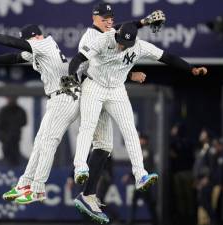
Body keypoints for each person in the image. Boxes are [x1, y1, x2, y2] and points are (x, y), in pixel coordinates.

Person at [0, 23, 144, 207]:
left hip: (65, 97)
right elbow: (15, 57)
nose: (25, 43)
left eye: (26, 40)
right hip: (60, 97)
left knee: (48, 142)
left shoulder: (43, 43)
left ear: (35, 37)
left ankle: (37, 189)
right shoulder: (39, 48)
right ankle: (24, 184)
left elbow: (14, 44)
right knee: (40, 142)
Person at [68, 22, 207, 219]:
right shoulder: (104, 39)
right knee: (88, 126)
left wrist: (190, 69)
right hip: (94, 85)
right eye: (120, 41)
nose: (122, 46)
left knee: (130, 130)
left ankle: (140, 174)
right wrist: (71, 76)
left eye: (127, 44)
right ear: (117, 34)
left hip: (116, 90)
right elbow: (78, 58)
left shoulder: (140, 46)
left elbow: (167, 57)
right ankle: (80, 165)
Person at [71, 3, 165, 223]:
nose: (109, 21)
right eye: (104, 18)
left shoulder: (111, 33)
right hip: (86, 86)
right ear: (94, 18)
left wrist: (144, 22)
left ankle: (88, 195)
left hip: (107, 87)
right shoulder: (92, 38)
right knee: (74, 132)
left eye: (111, 18)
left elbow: (122, 34)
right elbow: (90, 61)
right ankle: (78, 170)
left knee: (105, 147)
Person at [122, 134, 158, 225]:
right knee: (138, 201)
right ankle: (131, 221)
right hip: (140, 181)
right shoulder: (141, 150)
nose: (140, 141)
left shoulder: (146, 150)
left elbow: (145, 166)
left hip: (144, 181)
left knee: (149, 203)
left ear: (145, 140)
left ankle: (156, 221)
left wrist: (131, 175)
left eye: (141, 139)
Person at [0, 97, 27, 166]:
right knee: (7, 153)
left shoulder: (19, 110)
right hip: (5, 138)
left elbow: (24, 122)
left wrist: (14, 127)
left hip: (15, 137)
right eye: (10, 99)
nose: (11, 100)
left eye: (13, 99)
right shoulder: (3, 111)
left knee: (15, 155)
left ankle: (15, 167)